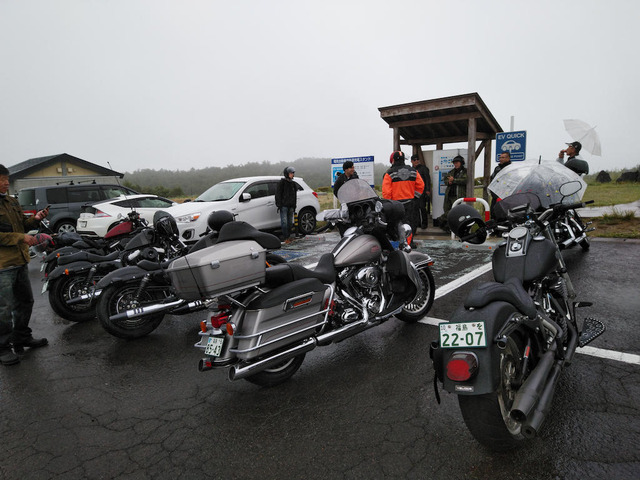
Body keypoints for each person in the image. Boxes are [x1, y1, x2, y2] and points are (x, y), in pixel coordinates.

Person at [0, 164, 49, 366]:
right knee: (3, 308)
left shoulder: (11, 201)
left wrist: (35, 219)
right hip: (3, 266)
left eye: (6, 179)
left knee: (25, 302)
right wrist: (21, 237)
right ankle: (3, 348)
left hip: (20, 261)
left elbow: (23, 224)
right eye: (2, 179)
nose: (5, 183)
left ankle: (21, 337)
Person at [382, 151, 424, 243]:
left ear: (393, 160)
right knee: (410, 224)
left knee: (396, 225)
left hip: (395, 205)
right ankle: (409, 243)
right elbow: (421, 186)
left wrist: (389, 203)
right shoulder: (413, 171)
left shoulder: (389, 173)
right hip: (410, 203)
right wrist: (414, 197)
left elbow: (386, 192)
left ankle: (399, 244)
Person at [437, 155, 468, 231]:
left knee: (454, 211)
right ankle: (448, 227)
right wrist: (449, 181)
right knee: (447, 209)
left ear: (461, 163)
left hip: (458, 195)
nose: (455, 164)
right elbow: (445, 180)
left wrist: (454, 180)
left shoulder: (465, 171)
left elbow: (464, 180)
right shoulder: (451, 171)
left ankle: (441, 219)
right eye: (454, 163)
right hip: (449, 194)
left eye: (457, 162)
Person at [275, 166, 298, 244]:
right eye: (291, 173)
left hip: (291, 206)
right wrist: (279, 205)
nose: (292, 174)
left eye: (293, 173)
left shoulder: (293, 184)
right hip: (284, 206)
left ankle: (289, 237)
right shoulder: (281, 183)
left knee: (290, 223)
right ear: (287, 174)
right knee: (284, 222)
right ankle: (286, 238)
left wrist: (294, 205)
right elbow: (278, 194)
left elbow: (295, 196)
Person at [410, 154, 431, 228]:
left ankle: (424, 223)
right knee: (415, 208)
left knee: (422, 207)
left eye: (417, 159)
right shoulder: (411, 169)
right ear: (412, 161)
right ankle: (418, 223)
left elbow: (427, 179)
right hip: (413, 192)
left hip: (422, 191)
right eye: (414, 160)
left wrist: (428, 190)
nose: (416, 161)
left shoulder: (424, 168)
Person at [490, 151, 512, 218]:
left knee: (504, 214)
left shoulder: (512, 168)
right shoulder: (497, 168)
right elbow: (492, 179)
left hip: (506, 196)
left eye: (503, 157)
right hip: (495, 195)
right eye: (500, 157)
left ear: (508, 158)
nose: (501, 159)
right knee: (493, 213)